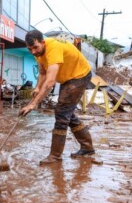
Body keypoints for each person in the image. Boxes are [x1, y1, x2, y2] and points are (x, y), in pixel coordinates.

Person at [19, 30, 94, 164]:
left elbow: (50, 82)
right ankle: (87, 147)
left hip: (80, 75)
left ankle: (55, 156)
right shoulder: (38, 52)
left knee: (61, 112)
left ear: (42, 42)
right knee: (67, 113)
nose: (33, 52)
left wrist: (33, 104)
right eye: (29, 49)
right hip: (67, 78)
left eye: (35, 47)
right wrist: (37, 87)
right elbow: (42, 73)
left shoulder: (53, 48)